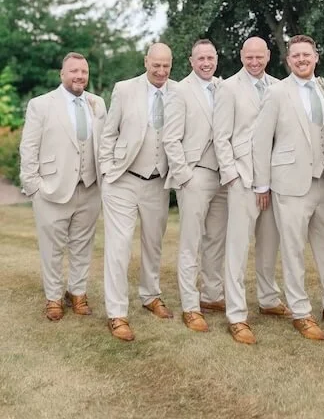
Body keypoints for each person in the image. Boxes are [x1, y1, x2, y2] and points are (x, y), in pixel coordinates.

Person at [252, 34, 324, 341]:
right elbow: (260, 139)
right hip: (289, 181)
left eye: (306, 54)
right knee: (293, 248)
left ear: (315, 56)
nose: (302, 59)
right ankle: (301, 312)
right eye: (296, 56)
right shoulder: (277, 92)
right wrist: (262, 185)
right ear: (288, 60)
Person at [213, 36, 290, 345]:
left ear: (268, 56)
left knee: (269, 244)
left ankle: (269, 299)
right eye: (249, 56)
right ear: (241, 55)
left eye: (260, 56)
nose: (255, 61)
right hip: (243, 179)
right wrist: (232, 176)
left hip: (274, 179)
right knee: (237, 248)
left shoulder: (279, 87)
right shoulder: (228, 88)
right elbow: (221, 138)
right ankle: (236, 314)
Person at [20, 52, 106, 321]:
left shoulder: (98, 103)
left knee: (83, 245)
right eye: (74, 71)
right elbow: (29, 147)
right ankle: (54, 297)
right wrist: (33, 185)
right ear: (62, 74)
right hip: (51, 189)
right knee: (52, 248)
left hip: (90, 188)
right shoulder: (41, 105)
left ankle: (77, 292)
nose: (79, 76)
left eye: (83, 71)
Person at [99, 43, 175, 342]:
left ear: (171, 65)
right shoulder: (124, 89)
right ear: (146, 61)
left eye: (165, 65)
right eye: (155, 64)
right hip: (123, 180)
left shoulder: (179, 92)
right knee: (118, 248)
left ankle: (150, 295)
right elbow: (109, 133)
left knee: (153, 244)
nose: (160, 71)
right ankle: (117, 314)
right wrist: (107, 170)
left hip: (158, 181)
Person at [163, 39, 228, 333]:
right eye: (200, 58)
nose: (206, 63)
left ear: (217, 59)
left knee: (217, 239)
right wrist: (184, 176)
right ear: (191, 61)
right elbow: (170, 138)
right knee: (192, 242)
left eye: (210, 58)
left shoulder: (223, 87)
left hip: (223, 175)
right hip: (195, 174)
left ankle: (212, 296)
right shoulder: (179, 91)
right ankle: (190, 305)